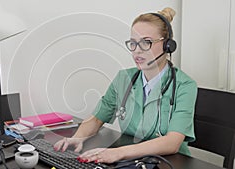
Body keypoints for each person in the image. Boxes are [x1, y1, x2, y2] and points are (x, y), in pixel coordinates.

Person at [54, 7, 197, 164]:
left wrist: (118, 153)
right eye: (133, 43)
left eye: (146, 43)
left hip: (170, 162)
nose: (137, 51)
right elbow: (97, 119)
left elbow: (172, 143)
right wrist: (77, 138)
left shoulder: (185, 86)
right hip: (133, 160)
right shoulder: (124, 78)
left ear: (167, 45)